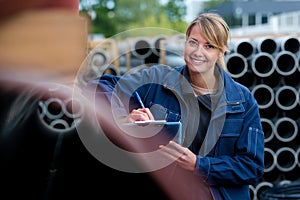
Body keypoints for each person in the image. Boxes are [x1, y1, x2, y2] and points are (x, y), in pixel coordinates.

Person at [83, 12, 264, 200]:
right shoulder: (158, 82)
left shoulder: (242, 101)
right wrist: (122, 118)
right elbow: (100, 85)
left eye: (209, 46)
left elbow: (252, 166)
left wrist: (198, 165)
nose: (197, 52)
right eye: (193, 42)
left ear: (221, 52)